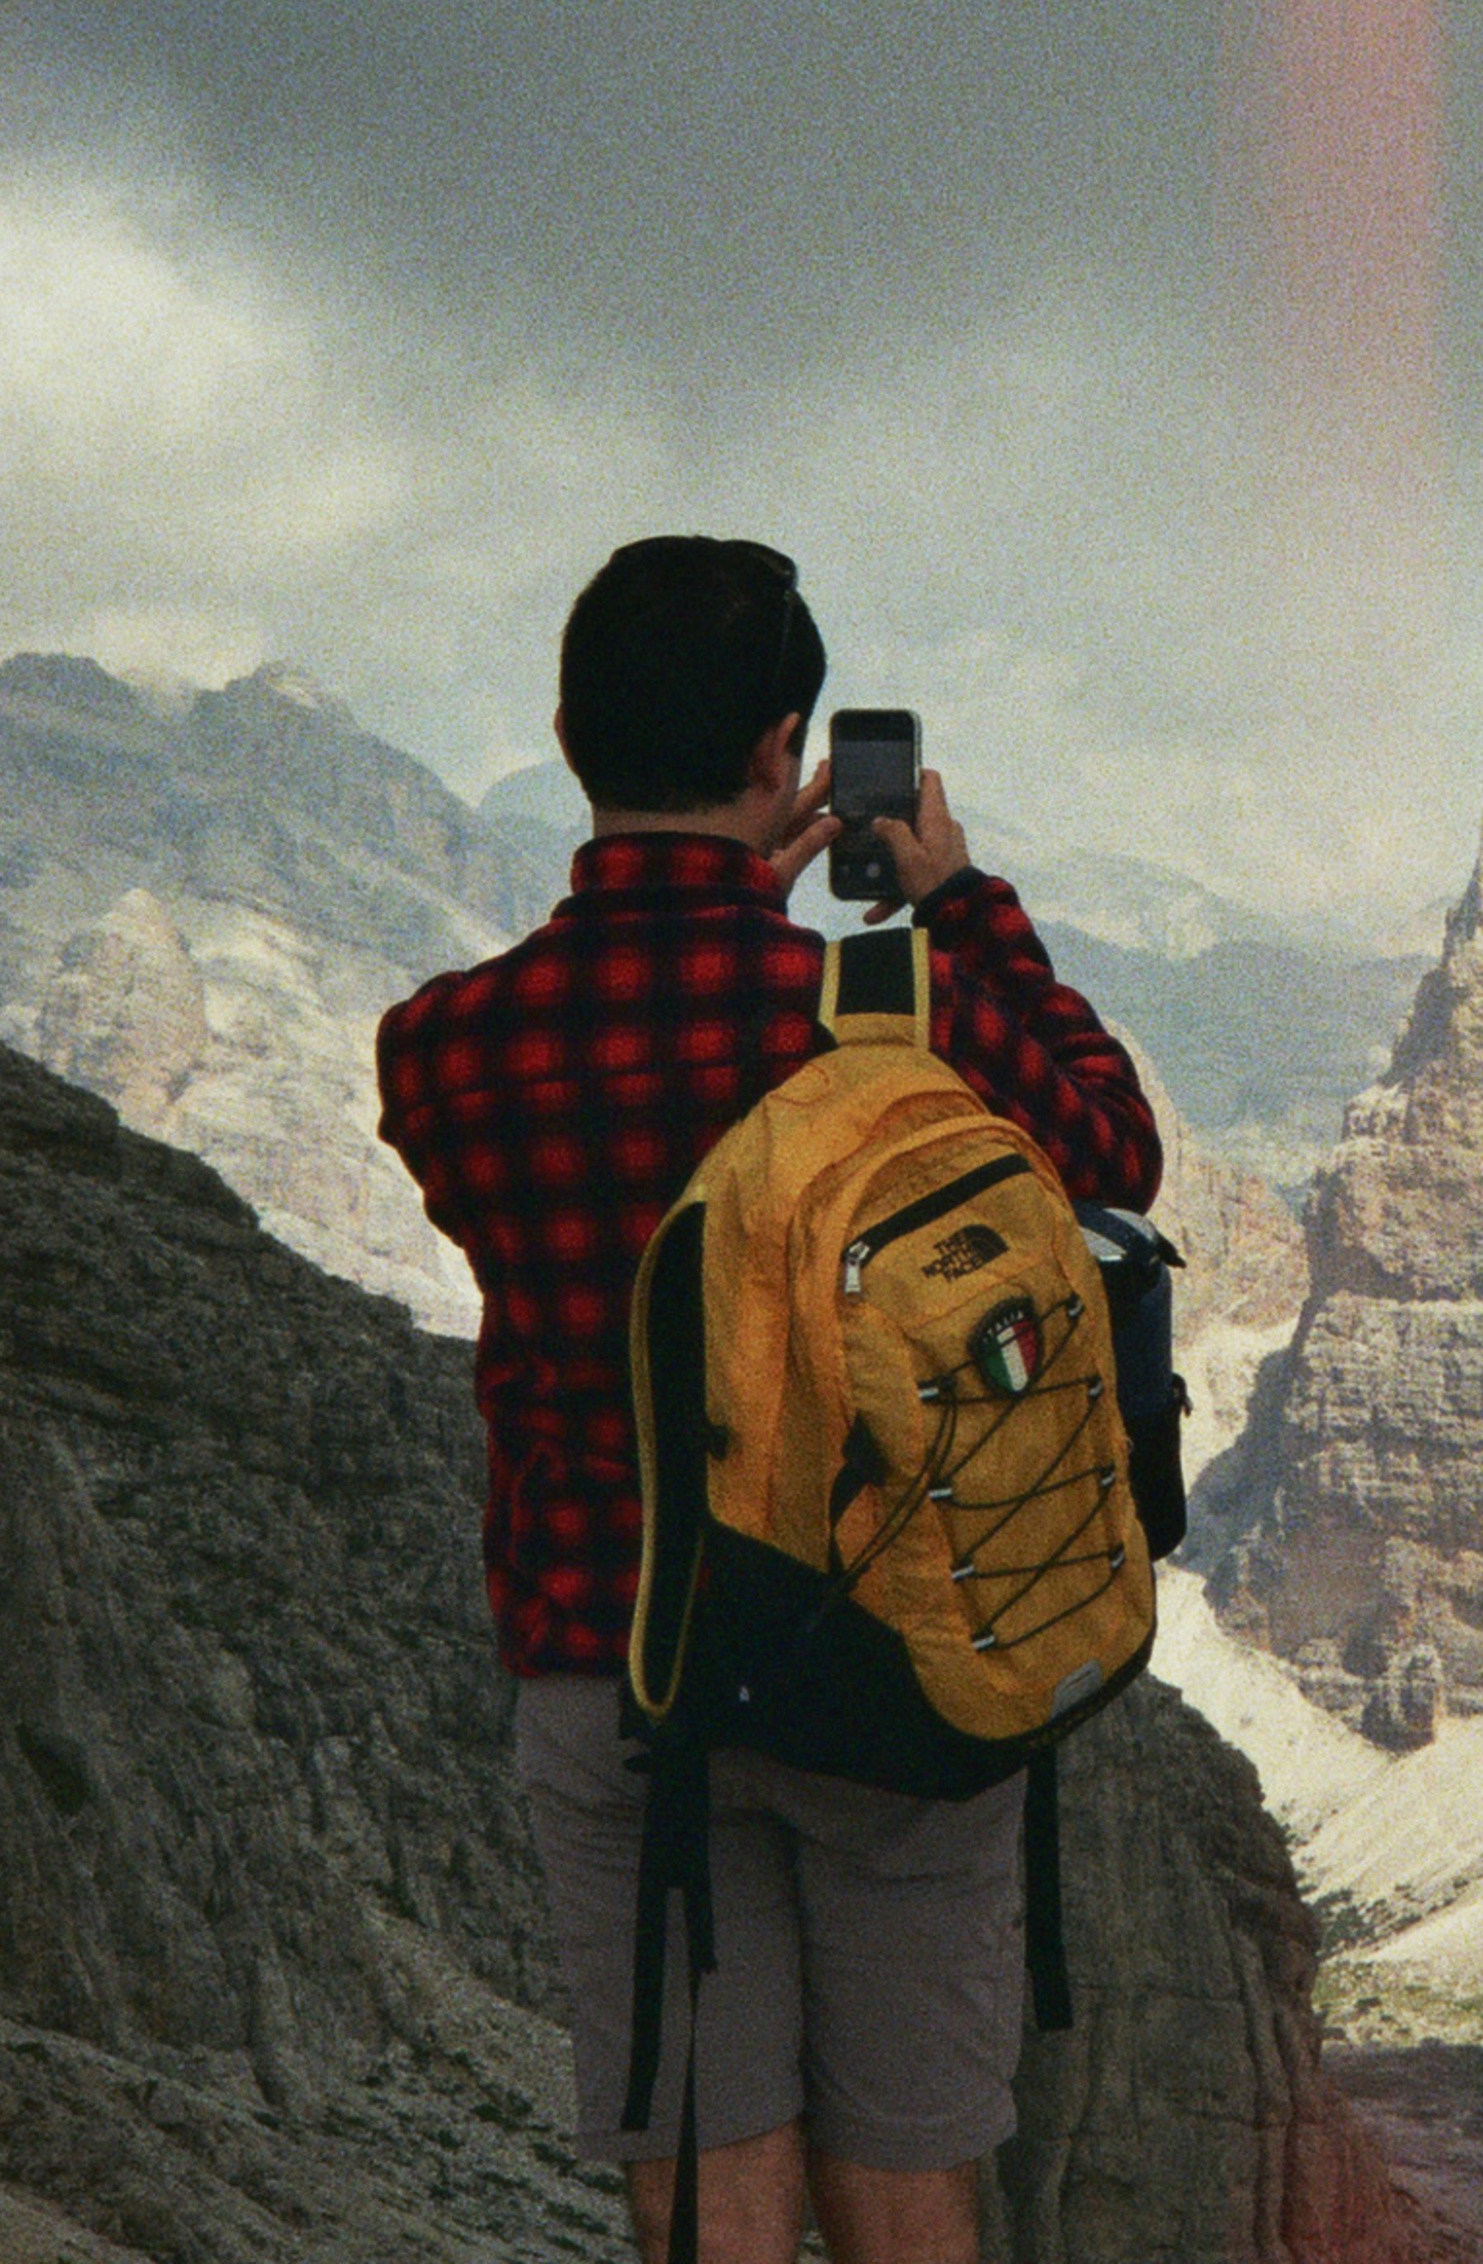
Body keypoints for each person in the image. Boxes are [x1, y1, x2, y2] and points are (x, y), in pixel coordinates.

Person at [377, 536, 1162, 2264]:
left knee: (701, 2181)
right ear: (784, 754)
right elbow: (1112, 1152)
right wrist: (951, 901)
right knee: (904, 2185)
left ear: (572, 739)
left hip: (619, 1668)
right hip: (887, 1666)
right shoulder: (887, 1012)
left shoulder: (445, 1046)